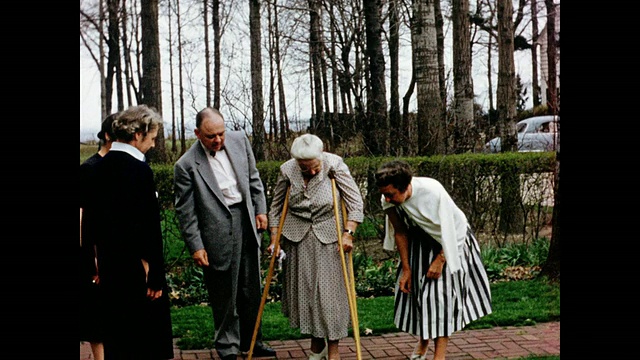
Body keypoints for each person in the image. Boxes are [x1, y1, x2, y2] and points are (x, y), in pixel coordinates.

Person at [173, 107, 276, 360]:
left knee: (251, 287)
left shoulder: (240, 141)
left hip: (247, 221)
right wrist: (196, 246)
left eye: (221, 133)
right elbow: (186, 212)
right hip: (216, 231)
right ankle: (227, 346)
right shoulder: (186, 165)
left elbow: (254, 180)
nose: (218, 140)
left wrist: (260, 210)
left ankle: (252, 341)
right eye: (211, 136)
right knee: (224, 292)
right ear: (197, 134)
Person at [374, 160, 492, 360]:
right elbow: (400, 232)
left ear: (405, 187)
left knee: (439, 299)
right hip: (419, 245)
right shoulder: (388, 199)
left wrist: (441, 259)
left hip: (450, 243)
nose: (386, 198)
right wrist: (407, 269)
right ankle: (423, 341)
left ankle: (440, 356)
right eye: (384, 194)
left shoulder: (433, 191)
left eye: (391, 194)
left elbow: (458, 227)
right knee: (419, 296)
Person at [83, 105, 174, 360]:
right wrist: (155, 275)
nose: (153, 145)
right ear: (138, 134)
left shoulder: (96, 168)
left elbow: (88, 223)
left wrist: (91, 266)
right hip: (138, 269)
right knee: (144, 341)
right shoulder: (139, 170)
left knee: (117, 339)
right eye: (152, 138)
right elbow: (150, 226)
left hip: (109, 268)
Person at [267, 134, 364, 360]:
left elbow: (355, 202)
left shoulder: (335, 165)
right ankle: (316, 347)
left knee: (330, 296)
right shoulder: (287, 170)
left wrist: (349, 232)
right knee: (307, 294)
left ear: (321, 156)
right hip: (298, 238)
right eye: (304, 168)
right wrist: (274, 238)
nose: (310, 172)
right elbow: (275, 207)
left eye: (314, 167)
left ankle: (333, 350)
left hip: (331, 237)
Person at [79, 112, 118, 360]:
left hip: (119, 250)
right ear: (106, 136)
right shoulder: (89, 170)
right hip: (96, 251)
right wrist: (90, 257)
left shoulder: (125, 168)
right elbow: (82, 216)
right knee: (97, 315)